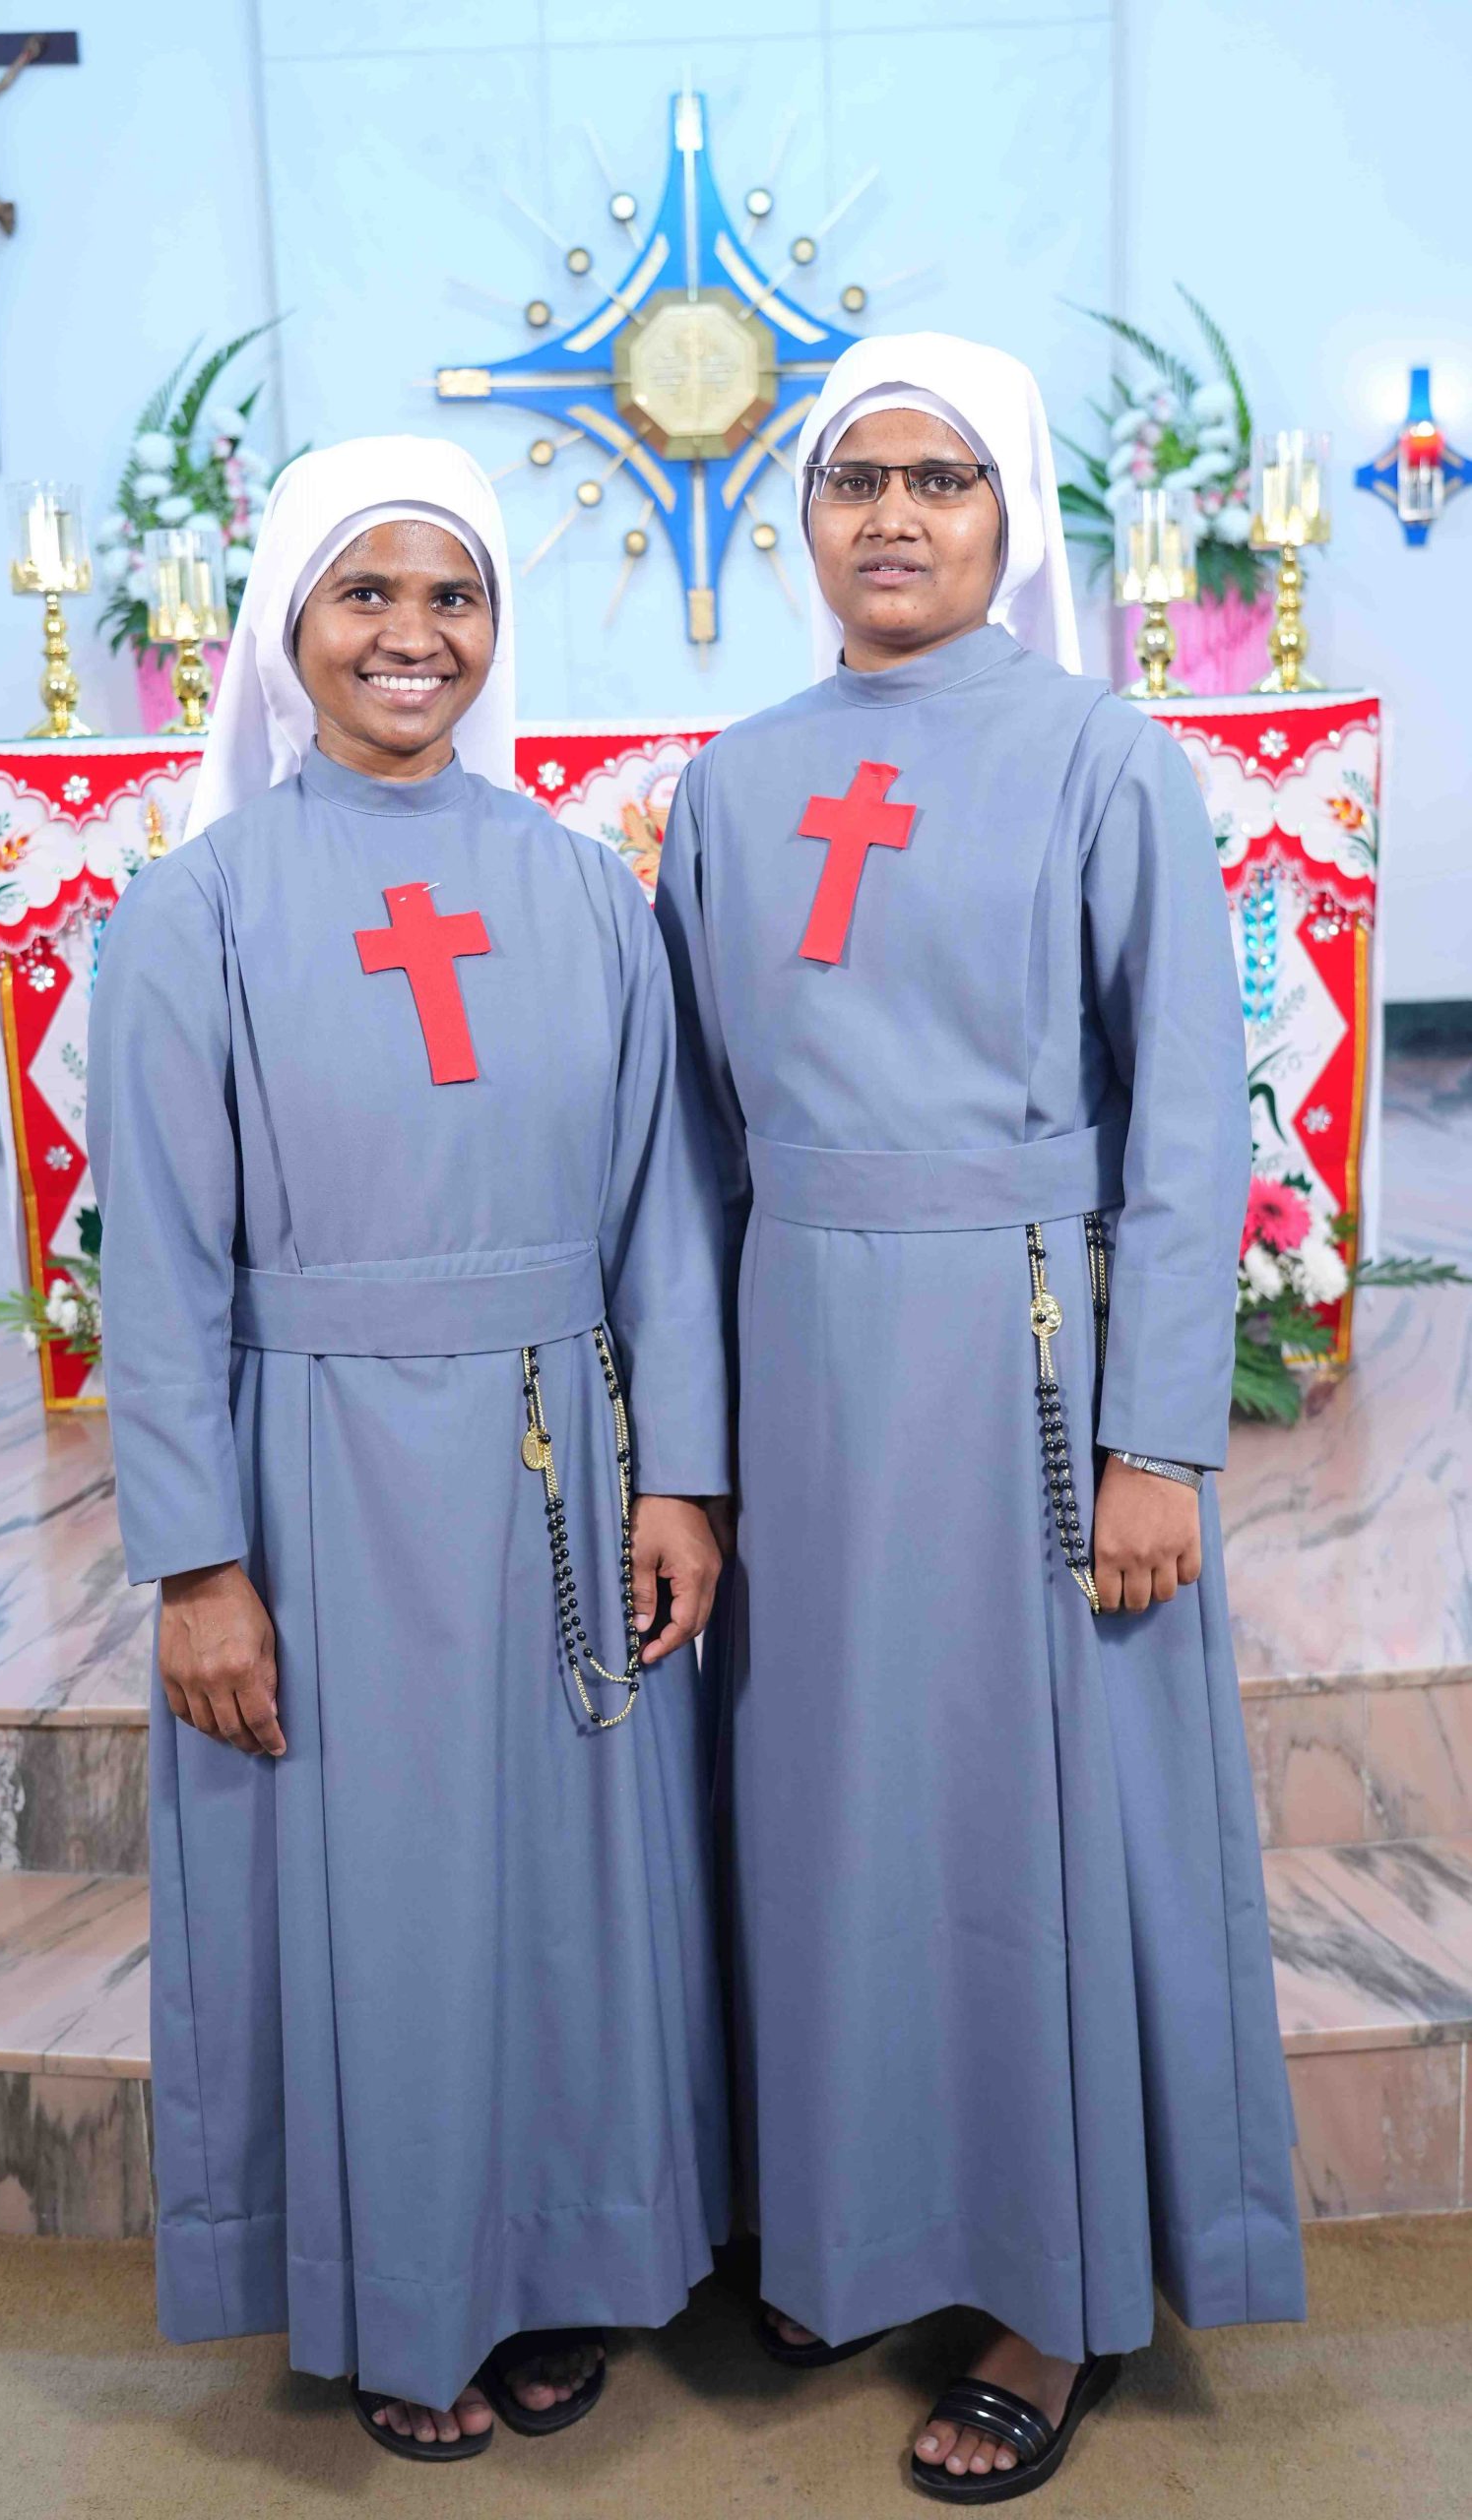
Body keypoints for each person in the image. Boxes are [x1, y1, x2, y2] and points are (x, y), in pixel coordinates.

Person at [654, 336, 1306, 2502]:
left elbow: (1188, 1124)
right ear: (805, 519)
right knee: (828, 1811)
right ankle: (850, 2221)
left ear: (1008, 516)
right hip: (804, 1367)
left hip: (1025, 1365)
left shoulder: (1104, 758)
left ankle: (1051, 2287)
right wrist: (692, 1457)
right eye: (856, 478)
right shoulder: (735, 784)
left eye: (941, 478)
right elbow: (690, 1153)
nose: (895, 515)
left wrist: (1156, 1437)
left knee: (1020, 1835)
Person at [88, 436, 732, 2463]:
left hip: (553, 1463)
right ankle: (398, 2292)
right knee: (384, 1902)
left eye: (450, 595)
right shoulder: (194, 910)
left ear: (493, 630)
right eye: (364, 593)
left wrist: (680, 1475)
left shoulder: (584, 890)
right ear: (287, 629)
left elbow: (665, 1212)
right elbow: (160, 1263)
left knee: (562, 1891)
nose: (410, 634)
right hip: (320, 1474)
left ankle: (560, 2259)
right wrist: (199, 1562)